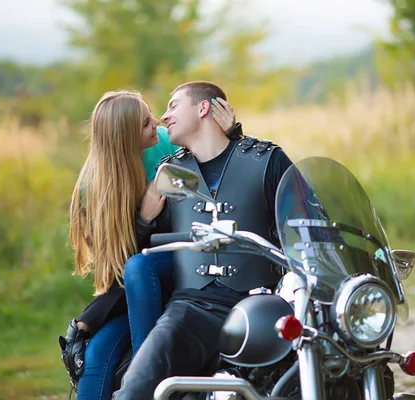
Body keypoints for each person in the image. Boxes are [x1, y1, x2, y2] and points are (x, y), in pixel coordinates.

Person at [113, 81, 294, 399]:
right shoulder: (167, 174)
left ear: (203, 108)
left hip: (259, 304)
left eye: (173, 105)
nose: (163, 116)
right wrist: (142, 219)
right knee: (135, 387)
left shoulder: (267, 159)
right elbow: (142, 252)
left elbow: (307, 227)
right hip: (190, 308)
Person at [58, 89, 240, 400]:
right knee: (98, 354)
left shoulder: (163, 141)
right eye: (145, 123)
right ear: (125, 138)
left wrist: (229, 135)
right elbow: (118, 268)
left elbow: (217, 176)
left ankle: (143, 379)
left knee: (140, 278)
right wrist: (142, 219)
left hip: (183, 268)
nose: (156, 123)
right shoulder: (95, 189)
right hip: (136, 284)